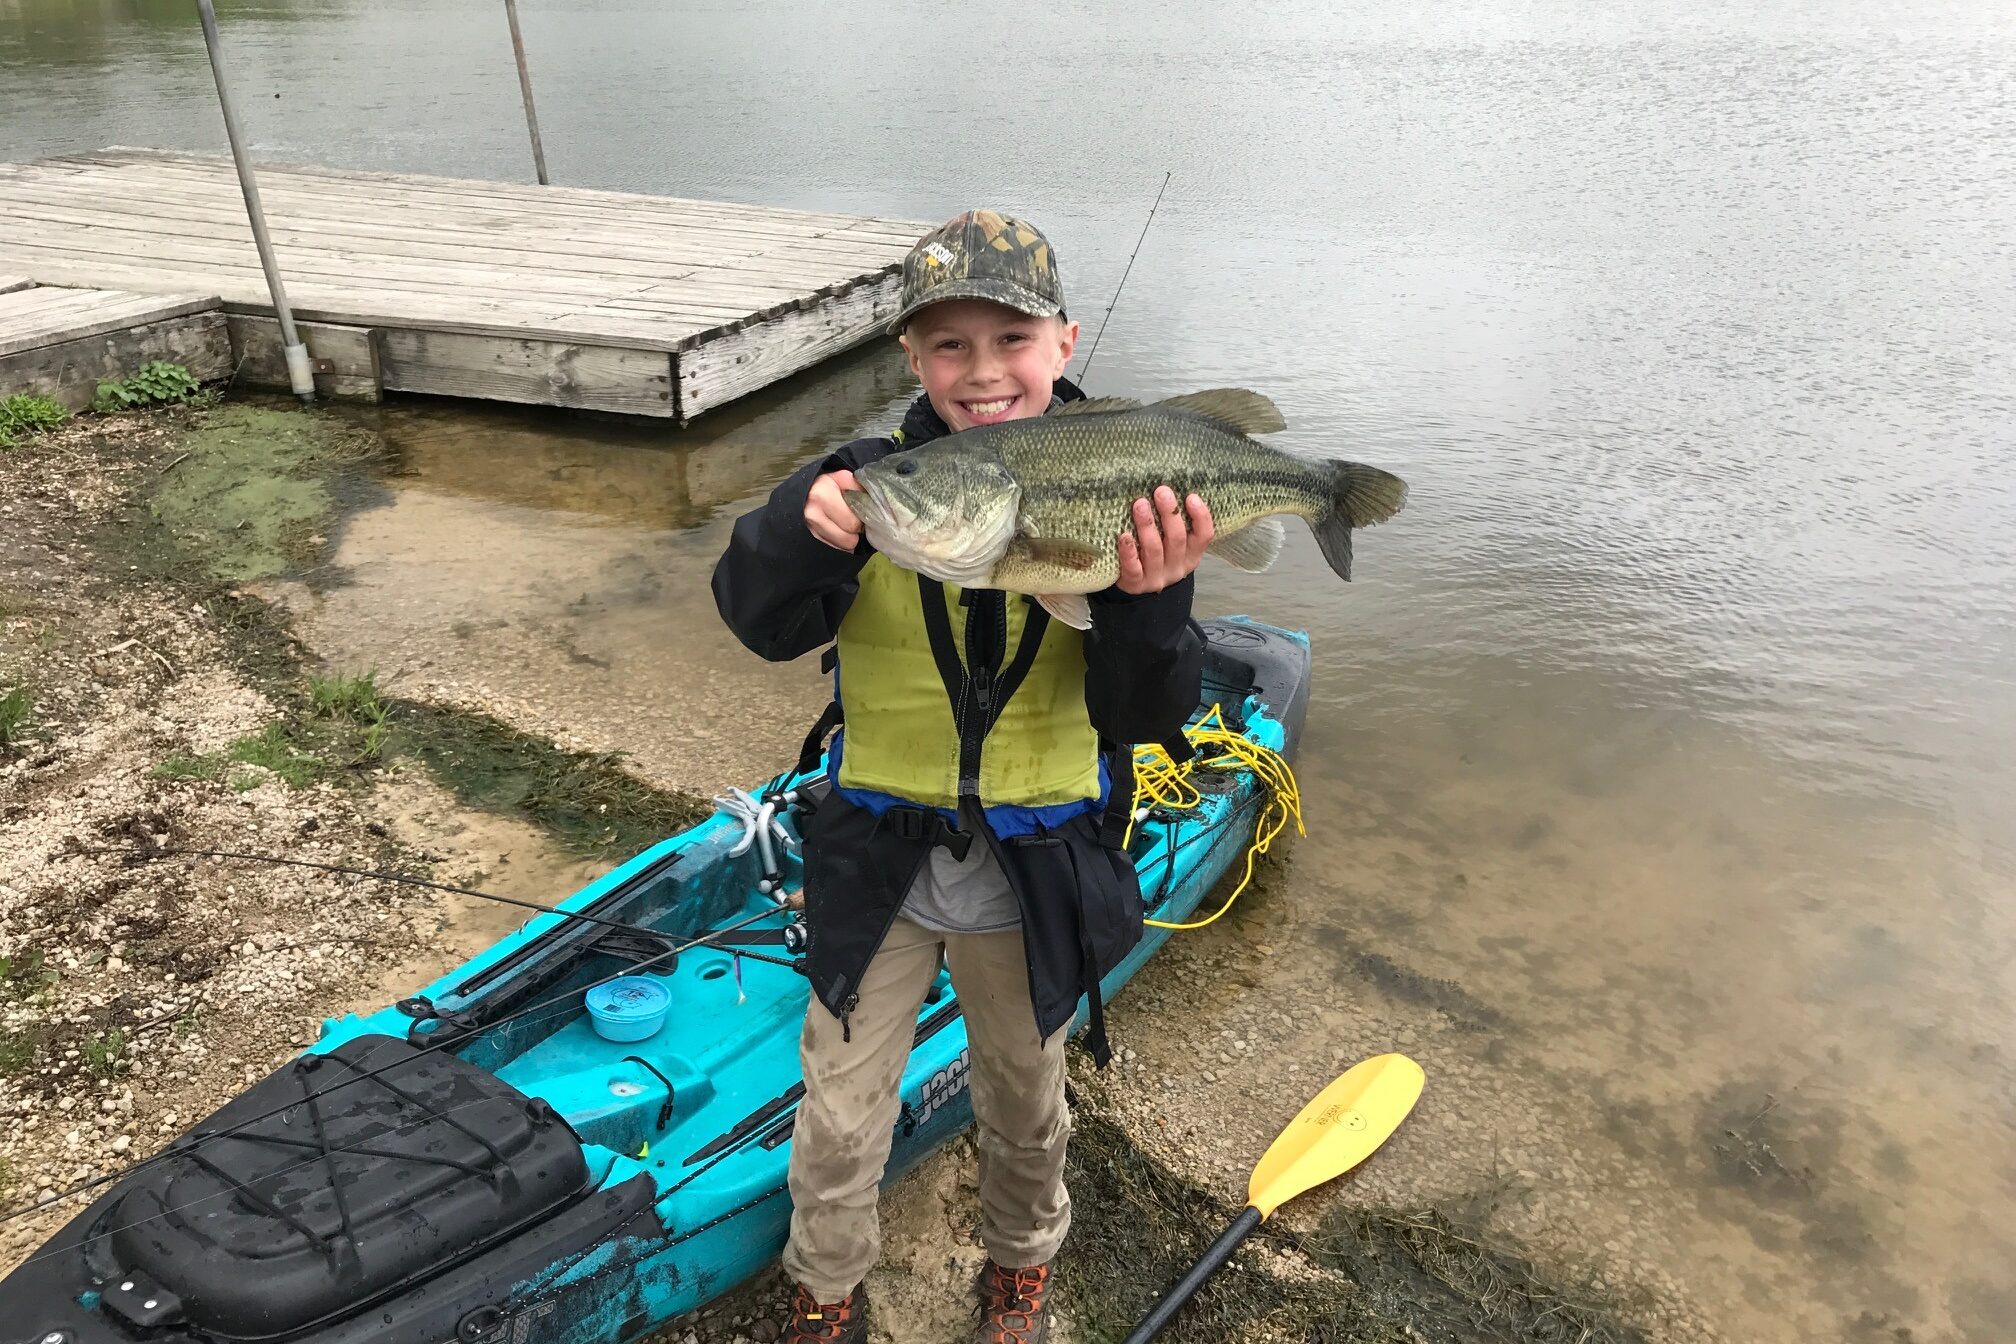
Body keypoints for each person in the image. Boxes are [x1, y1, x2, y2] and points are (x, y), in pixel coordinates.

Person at [711, 209, 1211, 1344]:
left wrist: (1156, 601)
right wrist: (797, 528)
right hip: (874, 862)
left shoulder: (1121, 487)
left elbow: (1149, 714)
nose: (982, 373)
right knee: (837, 1115)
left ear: (1065, 342)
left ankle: (1021, 1264)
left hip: (1037, 871)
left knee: (1025, 1102)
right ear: (909, 360)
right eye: (949, 346)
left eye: (1011, 341)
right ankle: (826, 1286)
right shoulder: (865, 489)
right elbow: (757, 620)